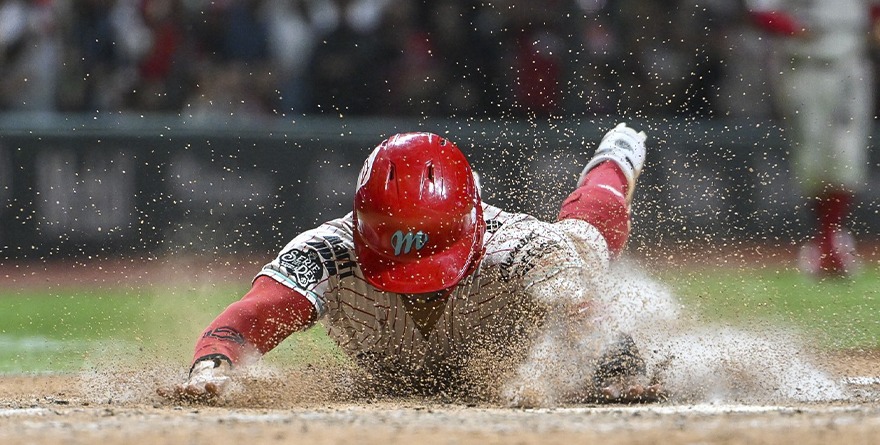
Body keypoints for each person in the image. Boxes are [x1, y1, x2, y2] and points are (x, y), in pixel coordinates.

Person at [161, 123, 663, 407]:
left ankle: (614, 158)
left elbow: (585, 313)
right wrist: (214, 362)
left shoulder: (525, 247)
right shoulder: (328, 251)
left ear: (475, 229)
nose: (419, 288)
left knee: (587, 237)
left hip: (537, 276)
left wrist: (620, 363)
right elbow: (257, 312)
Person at [745, 0, 880, 277]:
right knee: (811, 161)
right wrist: (796, 28)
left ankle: (831, 238)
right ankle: (825, 239)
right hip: (802, 66)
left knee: (847, 155)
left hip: (849, 65)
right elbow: (760, 12)